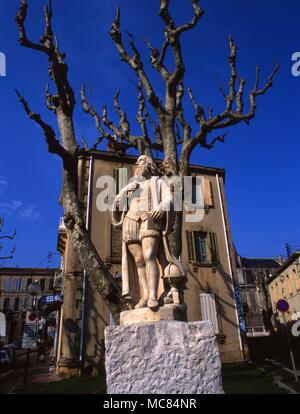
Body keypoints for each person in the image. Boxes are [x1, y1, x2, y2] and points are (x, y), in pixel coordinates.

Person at [112, 155, 185, 310]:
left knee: (149, 255)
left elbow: (169, 198)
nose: (137, 164)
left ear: (148, 164)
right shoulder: (131, 186)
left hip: (150, 219)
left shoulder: (157, 182)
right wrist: (125, 191)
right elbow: (117, 203)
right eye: (137, 162)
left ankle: (153, 295)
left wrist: (161, 207)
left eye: (141, 161)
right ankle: (144, 296)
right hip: (131, 221)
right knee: (138, 260)